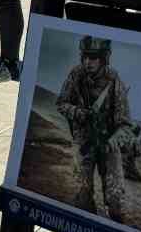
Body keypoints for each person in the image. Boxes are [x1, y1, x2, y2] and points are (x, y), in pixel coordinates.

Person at [55, 37, 131, 221]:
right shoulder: (76, 75)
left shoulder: (113, 80)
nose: (88, 62)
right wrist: (80, 113)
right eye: (86, 57)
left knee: (115, 201)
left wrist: (113, 140)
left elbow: (124, 122)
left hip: (108, 142)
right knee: (82, 196)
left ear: (103, 58)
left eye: (94, 58)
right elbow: (61, 104)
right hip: (84, 140)